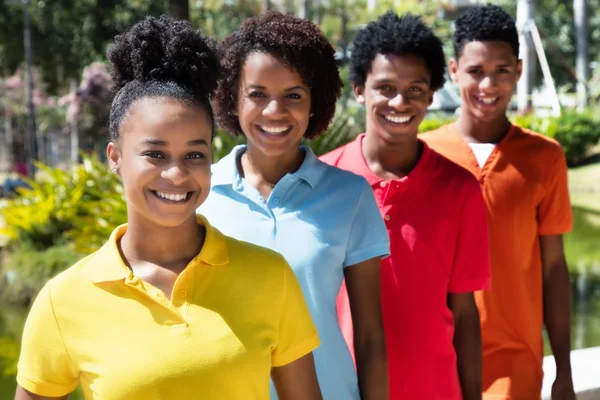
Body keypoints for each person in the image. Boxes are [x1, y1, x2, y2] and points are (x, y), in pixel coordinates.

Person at [15, 15, 322, 400]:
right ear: (115, 157)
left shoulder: (271, 277)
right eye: (155, 154)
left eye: (194, 153)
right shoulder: (63, 300)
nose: (177, 174)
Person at [198, 11, 389, 400]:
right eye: (257, 94)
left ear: (314, 103)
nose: (274, 111)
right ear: (232, 99)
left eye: (293, 96)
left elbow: (370, 337)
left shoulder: (351, 196)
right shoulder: (200, 192)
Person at [321, 12, 491, 400]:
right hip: (340, 391)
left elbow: (465, 313)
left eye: (415, 89)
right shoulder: (322, 181)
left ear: (432, 95)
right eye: (385, 87)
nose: (400, 101)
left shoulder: (460, 189)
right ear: (360, 90)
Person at [421, 5, 575, 400]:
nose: (488, 84)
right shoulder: (423, 155)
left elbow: (554, 268)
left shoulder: (545, 158)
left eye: (501, 70)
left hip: (515, 365)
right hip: (437, 362)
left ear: (519, 71)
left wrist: (564, 370)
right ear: (454, 71)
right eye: (475, 71)